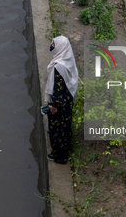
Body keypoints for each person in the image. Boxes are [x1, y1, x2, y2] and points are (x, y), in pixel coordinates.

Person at [45, 35, 78, 164]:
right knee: (65, 127)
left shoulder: (58, 68)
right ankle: (67, 149)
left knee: (57, 130)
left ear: (59, 48)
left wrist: (53, 106)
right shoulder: (68, 60)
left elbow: (57, 92)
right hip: (68, 100)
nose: (52, 46)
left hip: (59, 105)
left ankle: (59, 156)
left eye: (54, 44)